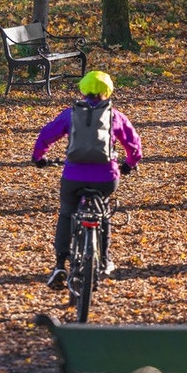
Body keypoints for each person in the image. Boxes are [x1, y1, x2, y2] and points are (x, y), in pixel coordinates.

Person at [31, 70, 141, 289]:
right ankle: (105, 259)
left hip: (73, 176)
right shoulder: (114, 115)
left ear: (82, 89)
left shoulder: (70, 114)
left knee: (66, 212)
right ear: (108, 91)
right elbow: (133, 143)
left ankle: (61, 264)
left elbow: (46, 135)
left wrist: (38, 158)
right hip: (106, 177)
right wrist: (130, 163)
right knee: (104, 212)